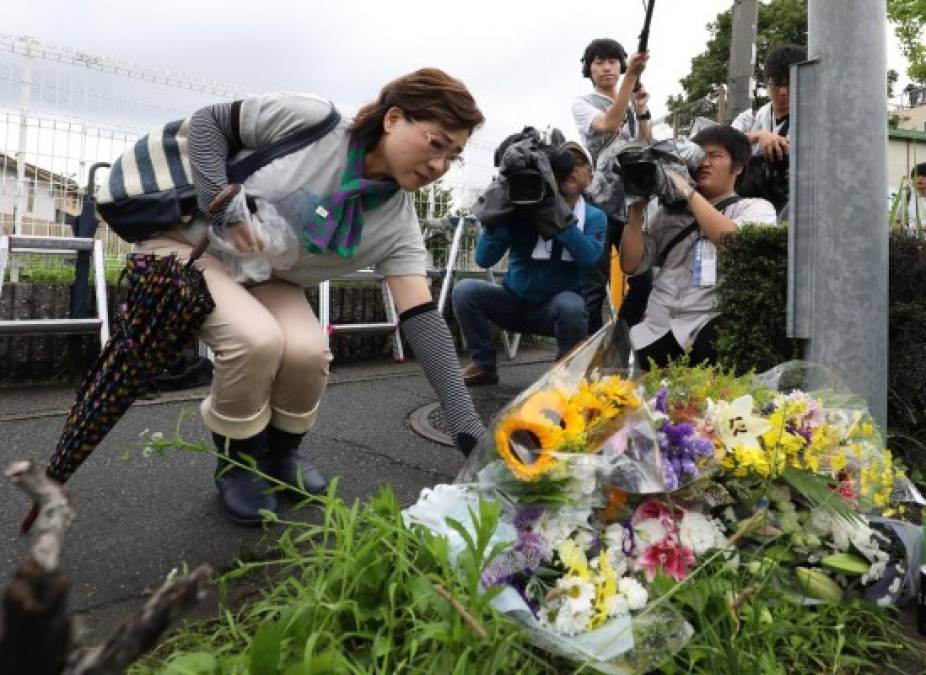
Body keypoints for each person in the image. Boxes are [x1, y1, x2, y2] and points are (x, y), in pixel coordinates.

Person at [137, 68, 487, 525]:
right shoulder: (312, 123)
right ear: (393, 118)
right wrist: (218, 205)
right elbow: (208, 123)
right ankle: (238, 463)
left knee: (308, 351)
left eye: (454, 156)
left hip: (263, 273)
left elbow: (421, 317)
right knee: (256, 339)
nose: (439, 166)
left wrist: (467, 427)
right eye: (435, 143)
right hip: (186, 241)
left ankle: (281, 454)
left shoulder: (396, 222)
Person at [619, 126, 777, 370]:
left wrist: (687, 191)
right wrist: (636, 208)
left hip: (709, 330)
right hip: (656, 329)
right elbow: (630, 265)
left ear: (738, 166)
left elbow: (736, 245)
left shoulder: (755, 208)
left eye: (715, 155)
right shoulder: (664, 212)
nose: (705, 162)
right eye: (699, 155)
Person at [453, 142, 606, 386]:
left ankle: (564, 373)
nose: (571, 171)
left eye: (578, 164)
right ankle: (483, 364)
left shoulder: (595, 216)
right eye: (565, 165)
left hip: (555, 309)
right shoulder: (522, 209)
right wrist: (499, 214)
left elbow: (588, 259)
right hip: (513, 301)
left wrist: (556, 215)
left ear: (589, 174)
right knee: (466, 290)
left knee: (573, 306)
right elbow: (484, 259)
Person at [571, 38, 654, 337]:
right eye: (598, 62)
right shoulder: (583, 103)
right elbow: (607, 124)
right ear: (589, 68)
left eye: (612, 61)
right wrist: (630, 79)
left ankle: (618, 338)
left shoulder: (629, 102)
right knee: (593, 286)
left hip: (631, 206)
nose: (606, 67)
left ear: (620, 65)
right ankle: (587, 356)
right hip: (597, 206)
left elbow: (646, 143)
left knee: (644, 279)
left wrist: (641, 108)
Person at [731, 44, 806, 214]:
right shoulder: (750, 117)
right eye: (777, 84)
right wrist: (758, 136)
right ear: (767, 83)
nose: (783, 92)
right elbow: (724, 143)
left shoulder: (812, 120)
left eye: (790, 84)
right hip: (747, 206)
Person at [897, 162, 926, 230]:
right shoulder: (908, 197)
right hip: (913, 239)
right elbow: (898, 220)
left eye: (924, 176)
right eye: (916, 175)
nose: (920, 178)